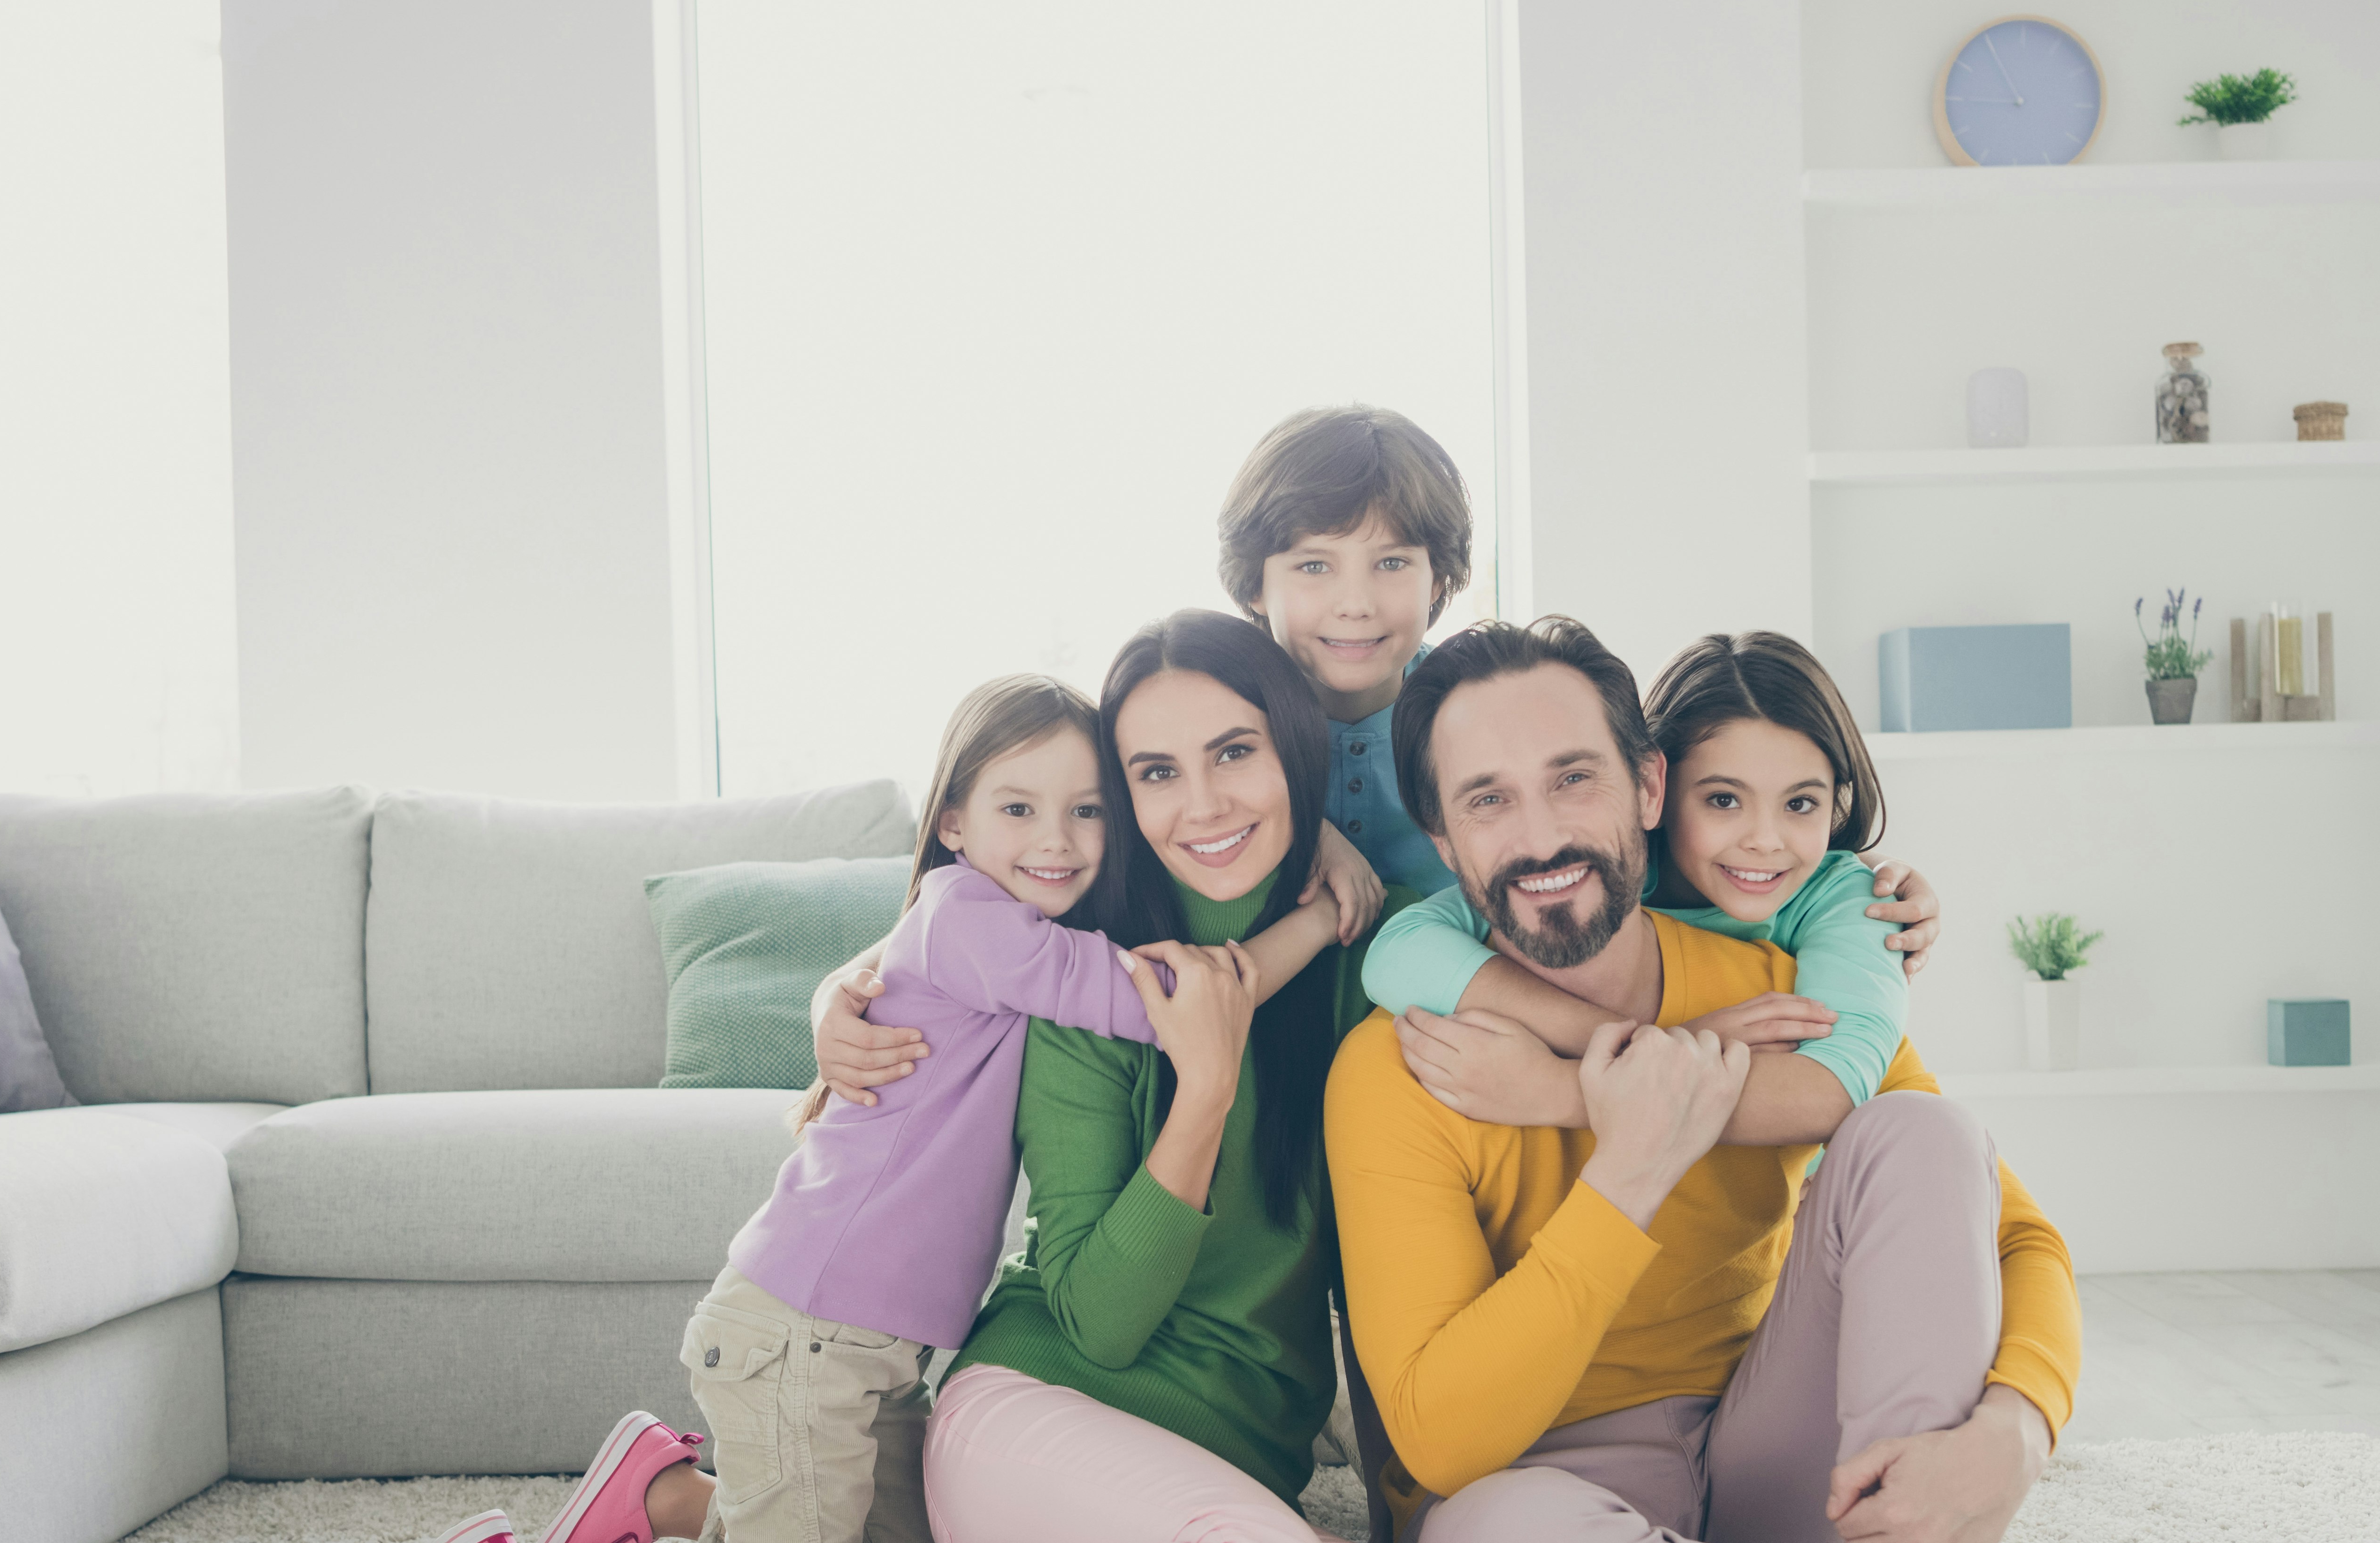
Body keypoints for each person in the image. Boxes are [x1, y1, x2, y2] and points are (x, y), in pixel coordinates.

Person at [1325, 618, 2298, 1543]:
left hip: (1770, 1475)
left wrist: (2013, 1431)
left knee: (1922, 1129)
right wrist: (1629, 1163)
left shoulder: (1789, 984)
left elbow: (2012, 1230)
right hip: (1548, 1512)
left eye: (1575, 777)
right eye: (1488, 799)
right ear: (1445, 841)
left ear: (1647, 786)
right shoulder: (1406, 1062)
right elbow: (1447, 1441)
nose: (1544, 831)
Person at [481, 612, 1462, 1543]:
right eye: (1154, 772)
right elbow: (1099, 1320)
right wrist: (1201, 1094)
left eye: (1235, 755)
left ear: (1298, 760)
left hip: (1206, 1484)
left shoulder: (1374, 969)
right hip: (1037, 1424)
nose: (1200, 801)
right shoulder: (1088, 980)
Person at [365, 674, 1340, 1543]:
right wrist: (1323, 913)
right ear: (952, 820)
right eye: (1018, 808)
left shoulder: (999, 927)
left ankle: (665, 1492)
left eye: (1088, 810)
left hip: (873, 1346)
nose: (1059, 839)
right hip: (803, 1334)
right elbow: (1168, 1004)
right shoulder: (970, 921)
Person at [806, 406, 1945, 1110]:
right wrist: (841, 987)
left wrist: (1855, 887)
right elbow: (1026, 859)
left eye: (1391, 562)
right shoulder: (1198, 731)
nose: (1353, 605)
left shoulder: (1479, 724)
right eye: (1312, 566)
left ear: (1442, 577)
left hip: (1459, 1080)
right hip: (1236, 1081)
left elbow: (1664, 839)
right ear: (1253, 582)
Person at [1363, 629, 1909, 1117]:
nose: (1763, 840)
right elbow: (1398, 953)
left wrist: (1563, 1088)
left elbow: (1830, 1088)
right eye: (1722, 799)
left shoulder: (1854, 901)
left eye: (1800, 804)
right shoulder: (1605, 876)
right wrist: (1653, 1044)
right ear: (1656, 792)